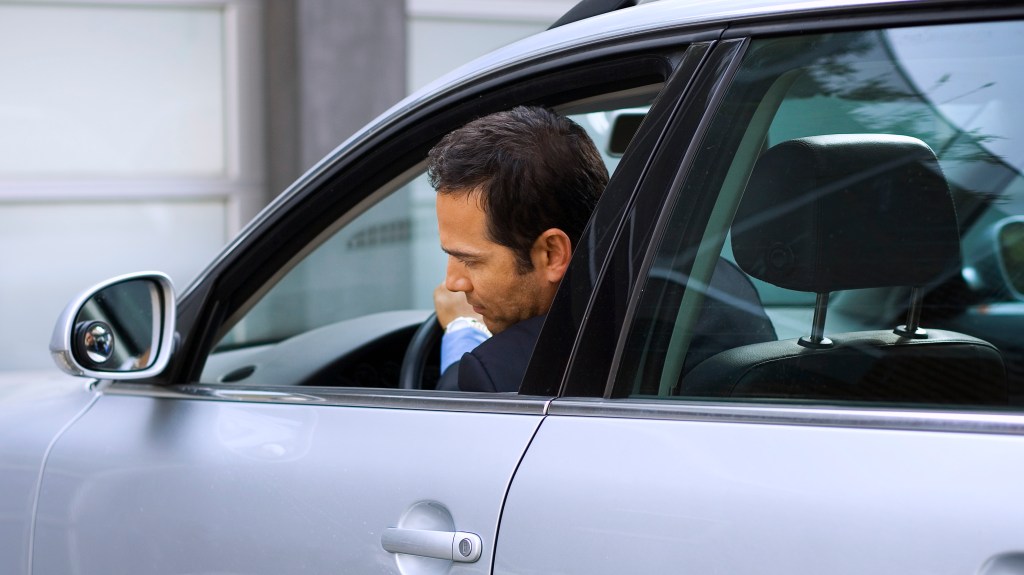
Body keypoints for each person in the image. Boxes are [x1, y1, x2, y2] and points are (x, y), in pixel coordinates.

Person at [428, 105, 609, 392]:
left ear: (551, 255)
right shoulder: (664, 316)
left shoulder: (495, 375)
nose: (452, 283)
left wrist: (463, 331)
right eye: (451, 255)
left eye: (470, 261)